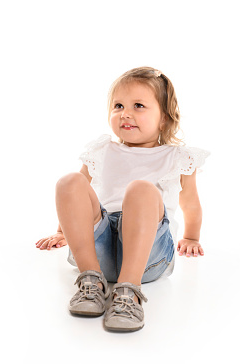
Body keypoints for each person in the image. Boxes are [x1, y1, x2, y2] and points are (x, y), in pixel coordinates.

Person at [36, 66, 210, 332]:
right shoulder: (102, 150)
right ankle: (91, 281)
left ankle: (128, 291)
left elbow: (191, 204)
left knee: (141, 189)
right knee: (70, 181)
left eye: (138, 105)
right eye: (118, 105)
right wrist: (64, 232)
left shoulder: (177, 158)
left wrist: (192, 237)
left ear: (164, 118)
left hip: (148, 253)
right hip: (100, 250)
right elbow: (78, 198)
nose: (125, 113)